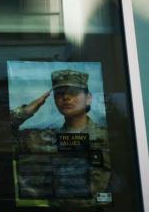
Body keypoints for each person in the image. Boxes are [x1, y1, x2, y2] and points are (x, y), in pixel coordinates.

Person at [10, 69, 110, 204]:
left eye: (74, 92)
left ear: (88, 98)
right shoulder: (42, 139)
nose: (66, 97)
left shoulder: (108, 137)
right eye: (60, 93)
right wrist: (25, 111)